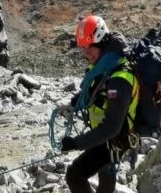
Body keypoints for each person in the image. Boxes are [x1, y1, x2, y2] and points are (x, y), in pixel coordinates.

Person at [59, 15, 139, 193]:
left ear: (102, 42)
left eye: (90, 47)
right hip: (105, 135)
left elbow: (111, 127)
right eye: (83, 48)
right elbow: (93, 90)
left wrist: (75, 143)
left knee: (74, 174)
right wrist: (72, 103)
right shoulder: (104, 64)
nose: (86, 53)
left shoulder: (119, 79)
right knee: (105, 172)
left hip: (116, 138)